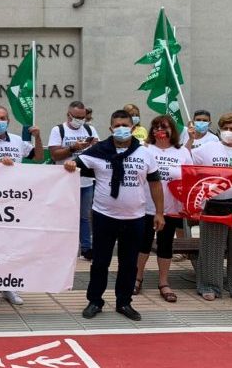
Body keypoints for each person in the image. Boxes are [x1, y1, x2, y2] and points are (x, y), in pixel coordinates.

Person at [65, 109, 164, 322]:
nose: (121, 129)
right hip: (104, 216)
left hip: (135, 217)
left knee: (129, 263)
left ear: (133, 128)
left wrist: (159, 212)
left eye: (125, 125)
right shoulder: (98, 151)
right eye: (117, 125)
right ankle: (95, 301)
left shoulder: (145, 153)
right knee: (100, 261)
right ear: (110, 129)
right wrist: (71, 164)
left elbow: (155, 183)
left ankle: (124, 302)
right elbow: (74, 166)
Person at [0, 105, 43, 307]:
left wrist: (37, 138)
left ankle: (9, 285)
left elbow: (38, 157)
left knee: (12, 245)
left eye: (2, 118)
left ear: (8, 121)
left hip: (14, 199)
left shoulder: (18, 141)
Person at [190, 112, 232, 303]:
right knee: (211, 247)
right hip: (212, 205)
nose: (228, 132)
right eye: (225, 128)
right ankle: (209, 286)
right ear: (219, 130)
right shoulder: (205, 150)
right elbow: (192, 172)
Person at [134, 115, 190, 303]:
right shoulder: (144, 149)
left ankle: (164, 283)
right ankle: (137, 278)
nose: (161, 130)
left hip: (171, 207)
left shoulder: (182, 152)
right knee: (143, 244)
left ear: (172, 130)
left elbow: (190, 179)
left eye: (165, 127)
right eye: (156, 126)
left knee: (166, 245)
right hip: (146, 206)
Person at [48, 101, 99, 260]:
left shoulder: (90, 129)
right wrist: (72, 148)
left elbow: (98, 153)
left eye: (83, 117)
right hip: (64, 181)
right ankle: (61, 247)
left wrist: (92, 147)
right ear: (68, 115)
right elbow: (54, 155)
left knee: (84, 216)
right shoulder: (58, 130)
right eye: (76, 117)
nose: (80, 120)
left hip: (85, 180)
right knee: (63, 215)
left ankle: (86, 248)